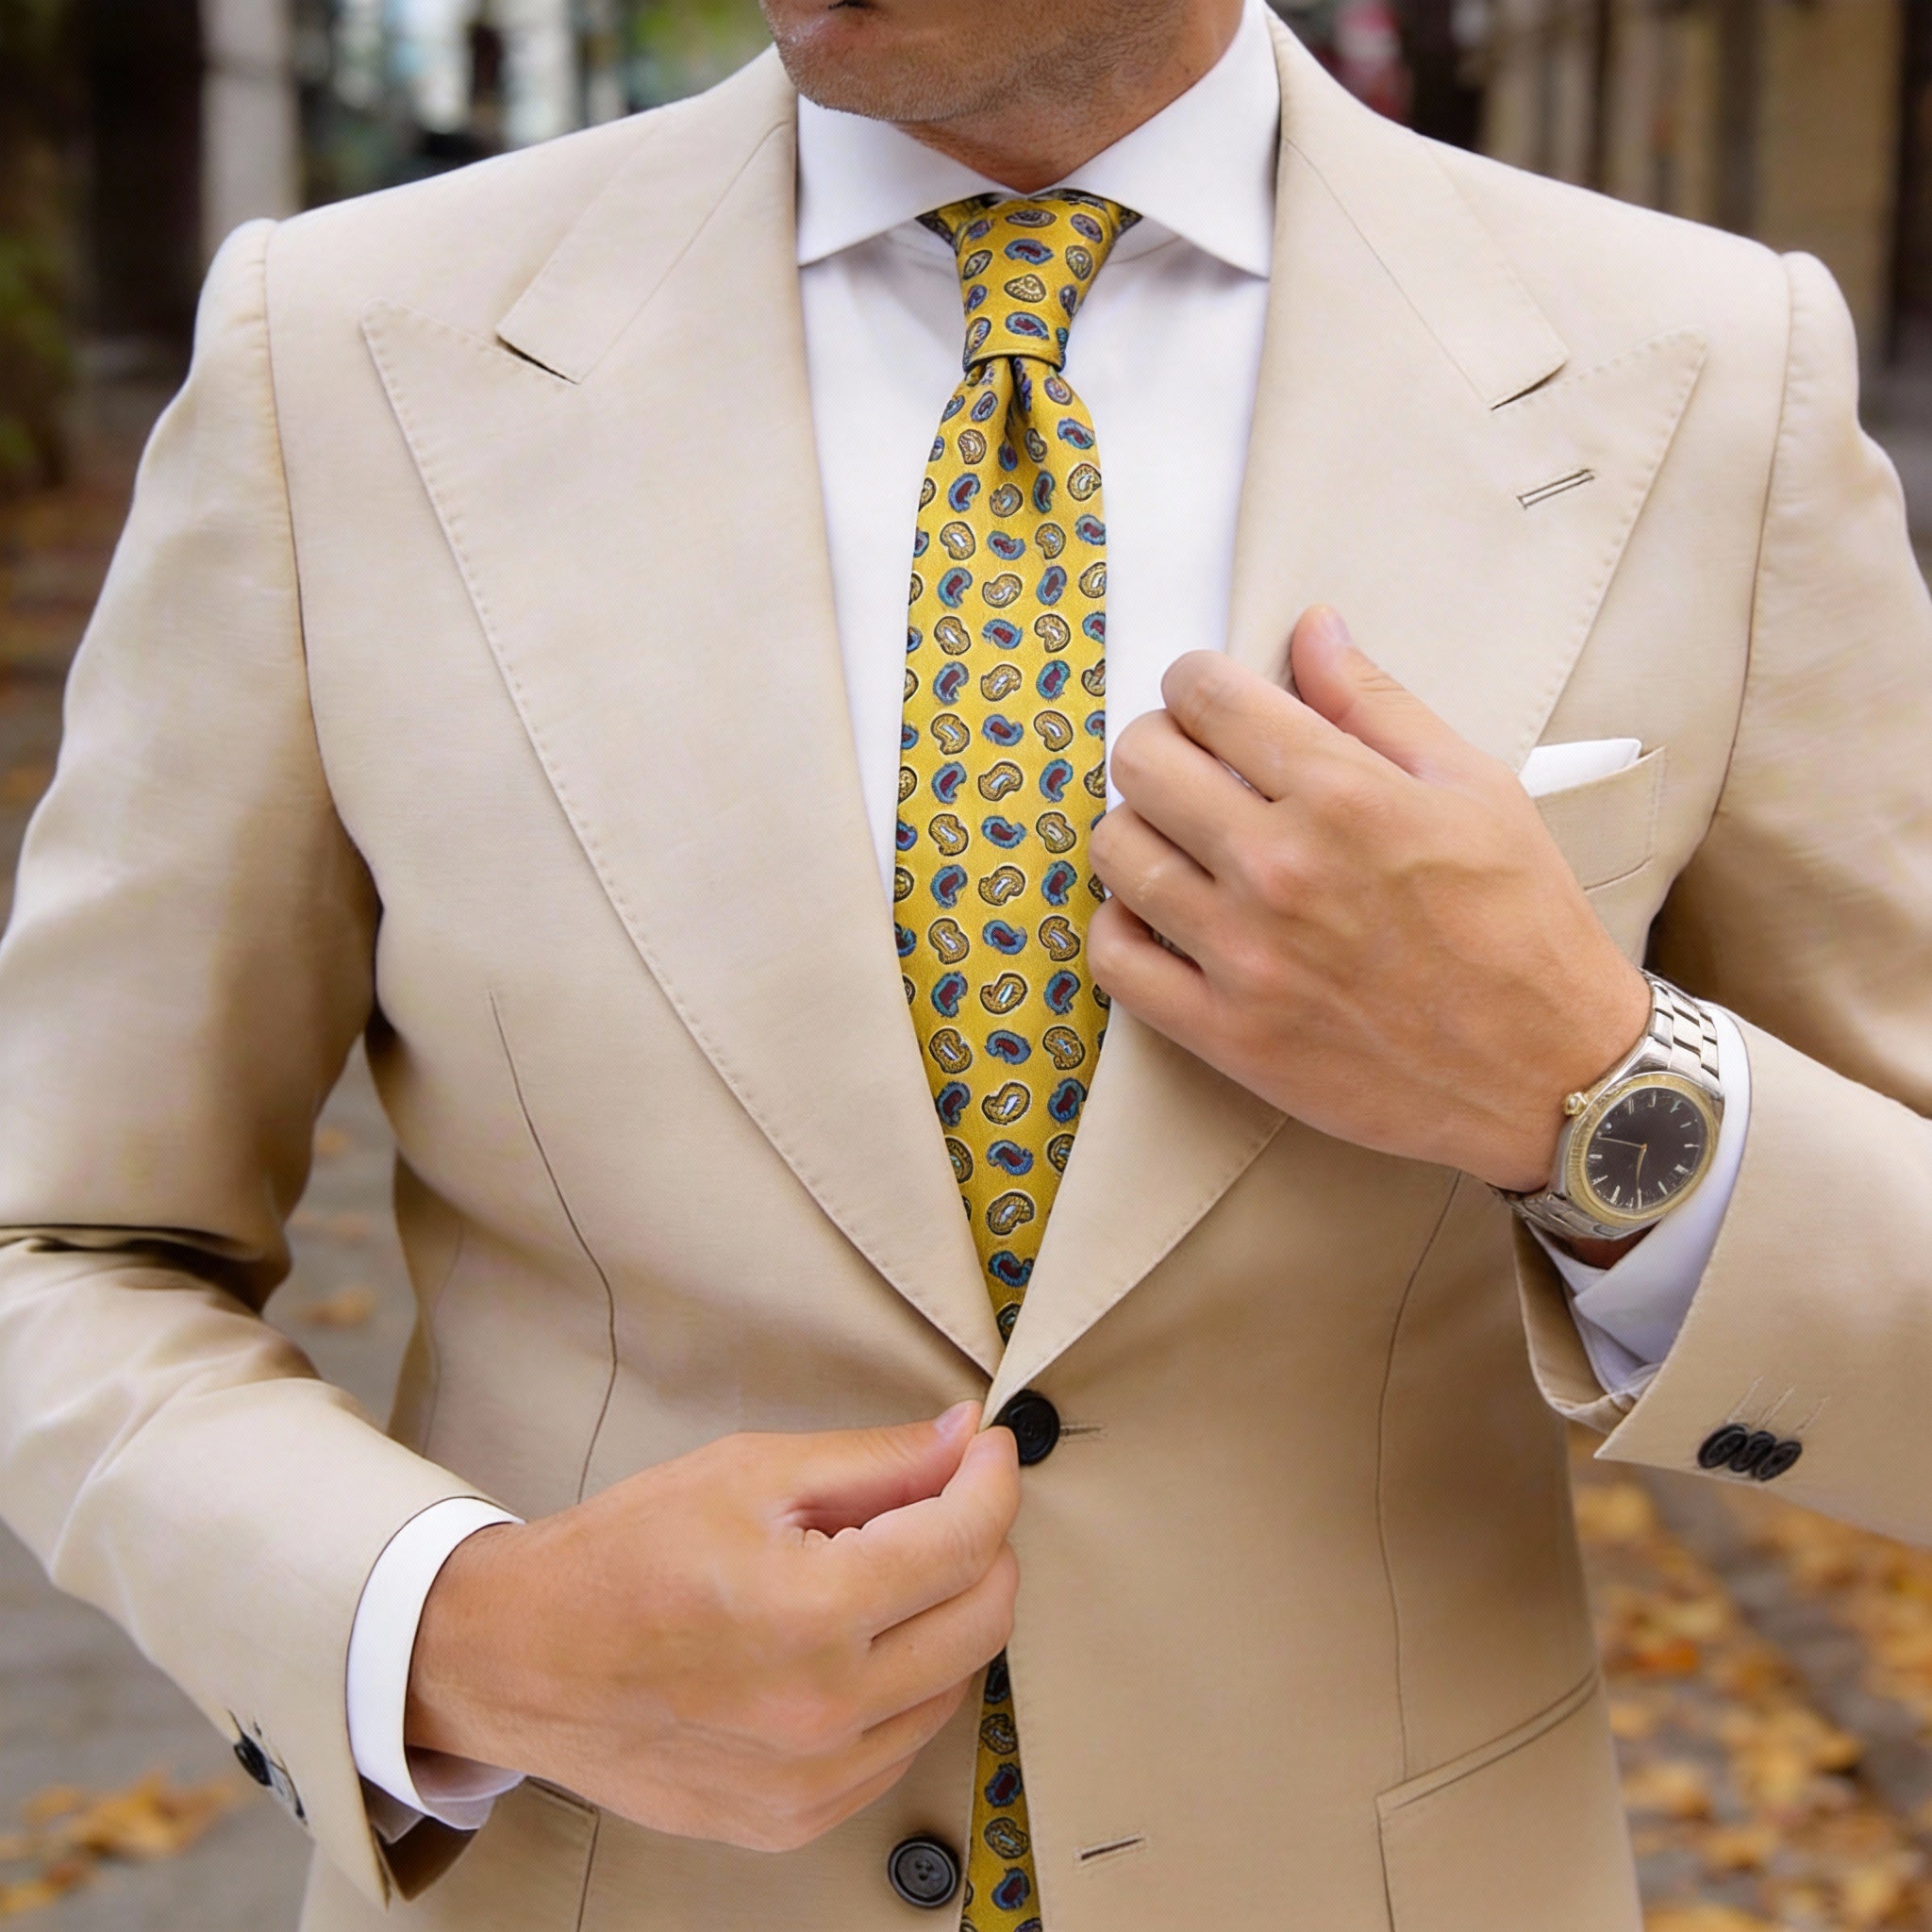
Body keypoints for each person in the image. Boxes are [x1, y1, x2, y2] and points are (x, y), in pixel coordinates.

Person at [1, 0, 1927, 1924]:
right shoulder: (338, 354)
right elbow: (61, 1241)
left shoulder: (1701, 376)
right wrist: (452, 1630)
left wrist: (1595, 1091)